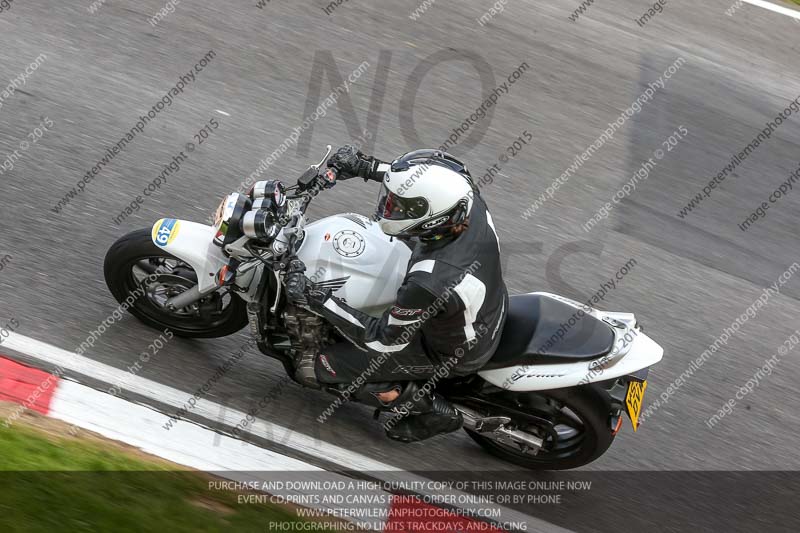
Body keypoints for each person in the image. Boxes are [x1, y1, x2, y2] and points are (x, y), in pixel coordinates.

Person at [285, 146, 508, 442]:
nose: (389, 207)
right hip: (483, 306)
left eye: (399, 206)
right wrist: (364, 166)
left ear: (430, 218)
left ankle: (434, 411)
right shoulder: (466, 200)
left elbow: (383, 338)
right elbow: (423, 183)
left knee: (313, 366)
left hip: (447, 351)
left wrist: (316, 296)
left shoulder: (429, 281)